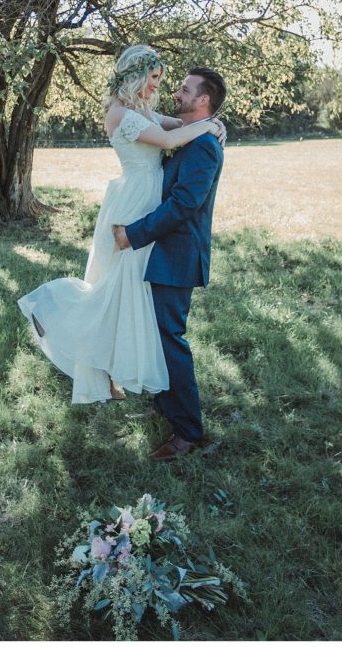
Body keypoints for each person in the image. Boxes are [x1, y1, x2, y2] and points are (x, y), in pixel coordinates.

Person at [16, 45, 225, 405]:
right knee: (114, 289)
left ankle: (130, 376)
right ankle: (51, 310)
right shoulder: (120, 113)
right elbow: (173, 138)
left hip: (147, 198)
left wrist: (212, 122)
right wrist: (210, 124)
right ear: (137, 76)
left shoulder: (142, 110)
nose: (161, 86)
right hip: (135, 201)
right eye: (155, 78)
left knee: (127, 294)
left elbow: (178, 124)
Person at [112, 65, 226, 461]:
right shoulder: (191, 137)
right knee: (157, 333)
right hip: (162, 251)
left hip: (177, 253)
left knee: (169, 339)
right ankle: (166, 404)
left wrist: (134, 233)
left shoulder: (205, 146)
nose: (176, 94)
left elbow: (183, 206)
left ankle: (188, 432)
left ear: (203, 100)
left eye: (184, 90)